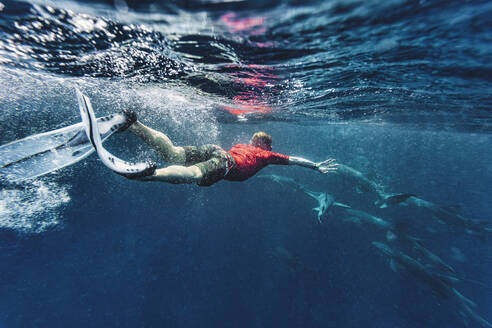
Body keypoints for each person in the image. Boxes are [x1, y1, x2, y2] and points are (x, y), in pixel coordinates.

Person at [119, 111, 338, 186]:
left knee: (173, 153)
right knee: (194, 174)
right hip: (226, 162)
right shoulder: (266, 154)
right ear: (265, 145)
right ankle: (151, 173)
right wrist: (315, 166)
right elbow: (295, 160)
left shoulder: (244, 145)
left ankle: (134, 125)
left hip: (218, 152)